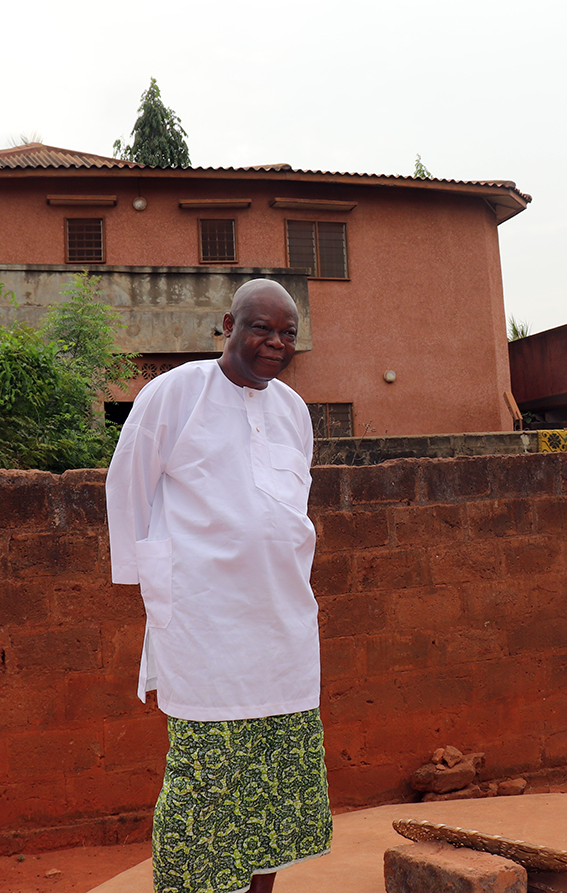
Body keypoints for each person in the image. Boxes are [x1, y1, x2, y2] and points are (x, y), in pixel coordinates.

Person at [107, 278, 330, 893]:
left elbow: (291, 507)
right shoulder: (174, 393)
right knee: (206, 775)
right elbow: (128, 484)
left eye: (288, 332)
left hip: (282, 622)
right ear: (227, 325)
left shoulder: (292, 409)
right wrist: (154, 581)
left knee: (276, 779)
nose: (275, 342)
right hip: (206, 624)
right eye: (261, 327)